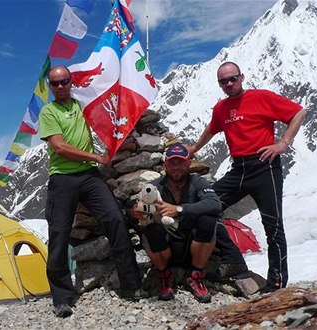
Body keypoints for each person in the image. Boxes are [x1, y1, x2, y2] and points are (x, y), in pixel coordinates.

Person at [188, 61, 307, 292]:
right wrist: (193, 149)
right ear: (219, 84)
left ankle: (276, 284)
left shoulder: (262, 97)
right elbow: (212, 129)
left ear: (242, 77)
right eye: (224, 81)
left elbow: (298, 112)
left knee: (273, 227)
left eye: (233, 78)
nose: (229, 84)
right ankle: (232, 260)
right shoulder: (221, 108)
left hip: (265, 166)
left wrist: (282, 143)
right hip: (238, 170)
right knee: (205, 208)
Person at [39, 65, 145, 318]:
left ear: (71, 82)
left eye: (65, 81)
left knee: (115, 219)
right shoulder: (48, 111)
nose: (61, 86)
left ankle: (131, 285)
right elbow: (60, 147)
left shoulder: (81, 105)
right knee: (59, 233)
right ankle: (62, 298)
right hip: (62, 177)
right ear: (50, 87)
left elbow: (107, 107)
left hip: (89, 176)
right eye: (56, 83)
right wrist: (96, 156)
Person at [130, 143, 220, 303]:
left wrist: (178, 209)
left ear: (188, 163)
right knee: (151, 231)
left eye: (181, 162)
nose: (176, 167)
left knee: (208, 221)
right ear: (165, 164)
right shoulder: (155, 187)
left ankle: (196, 275)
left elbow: (215, 204)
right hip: (166, 245)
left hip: (191, 244)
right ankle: (164, 275)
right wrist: (136, 212)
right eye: (172, 163)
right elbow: (135, 211)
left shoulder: (197, 182)